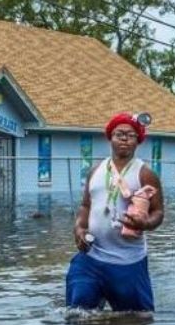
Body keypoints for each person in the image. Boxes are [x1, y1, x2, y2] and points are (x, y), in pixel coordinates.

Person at [66, 113, 164, 312]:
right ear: (110, 137)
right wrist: (79, 228)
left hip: (128, 261)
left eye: (131, 135)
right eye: (119, 134)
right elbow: (85, 206)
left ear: (138, 141)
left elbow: (158, 212)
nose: (124, 139)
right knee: (78, 312)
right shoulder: (95, 170)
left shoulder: (145, 174)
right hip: (91, 257)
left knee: (137, 319)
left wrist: (145, 223)